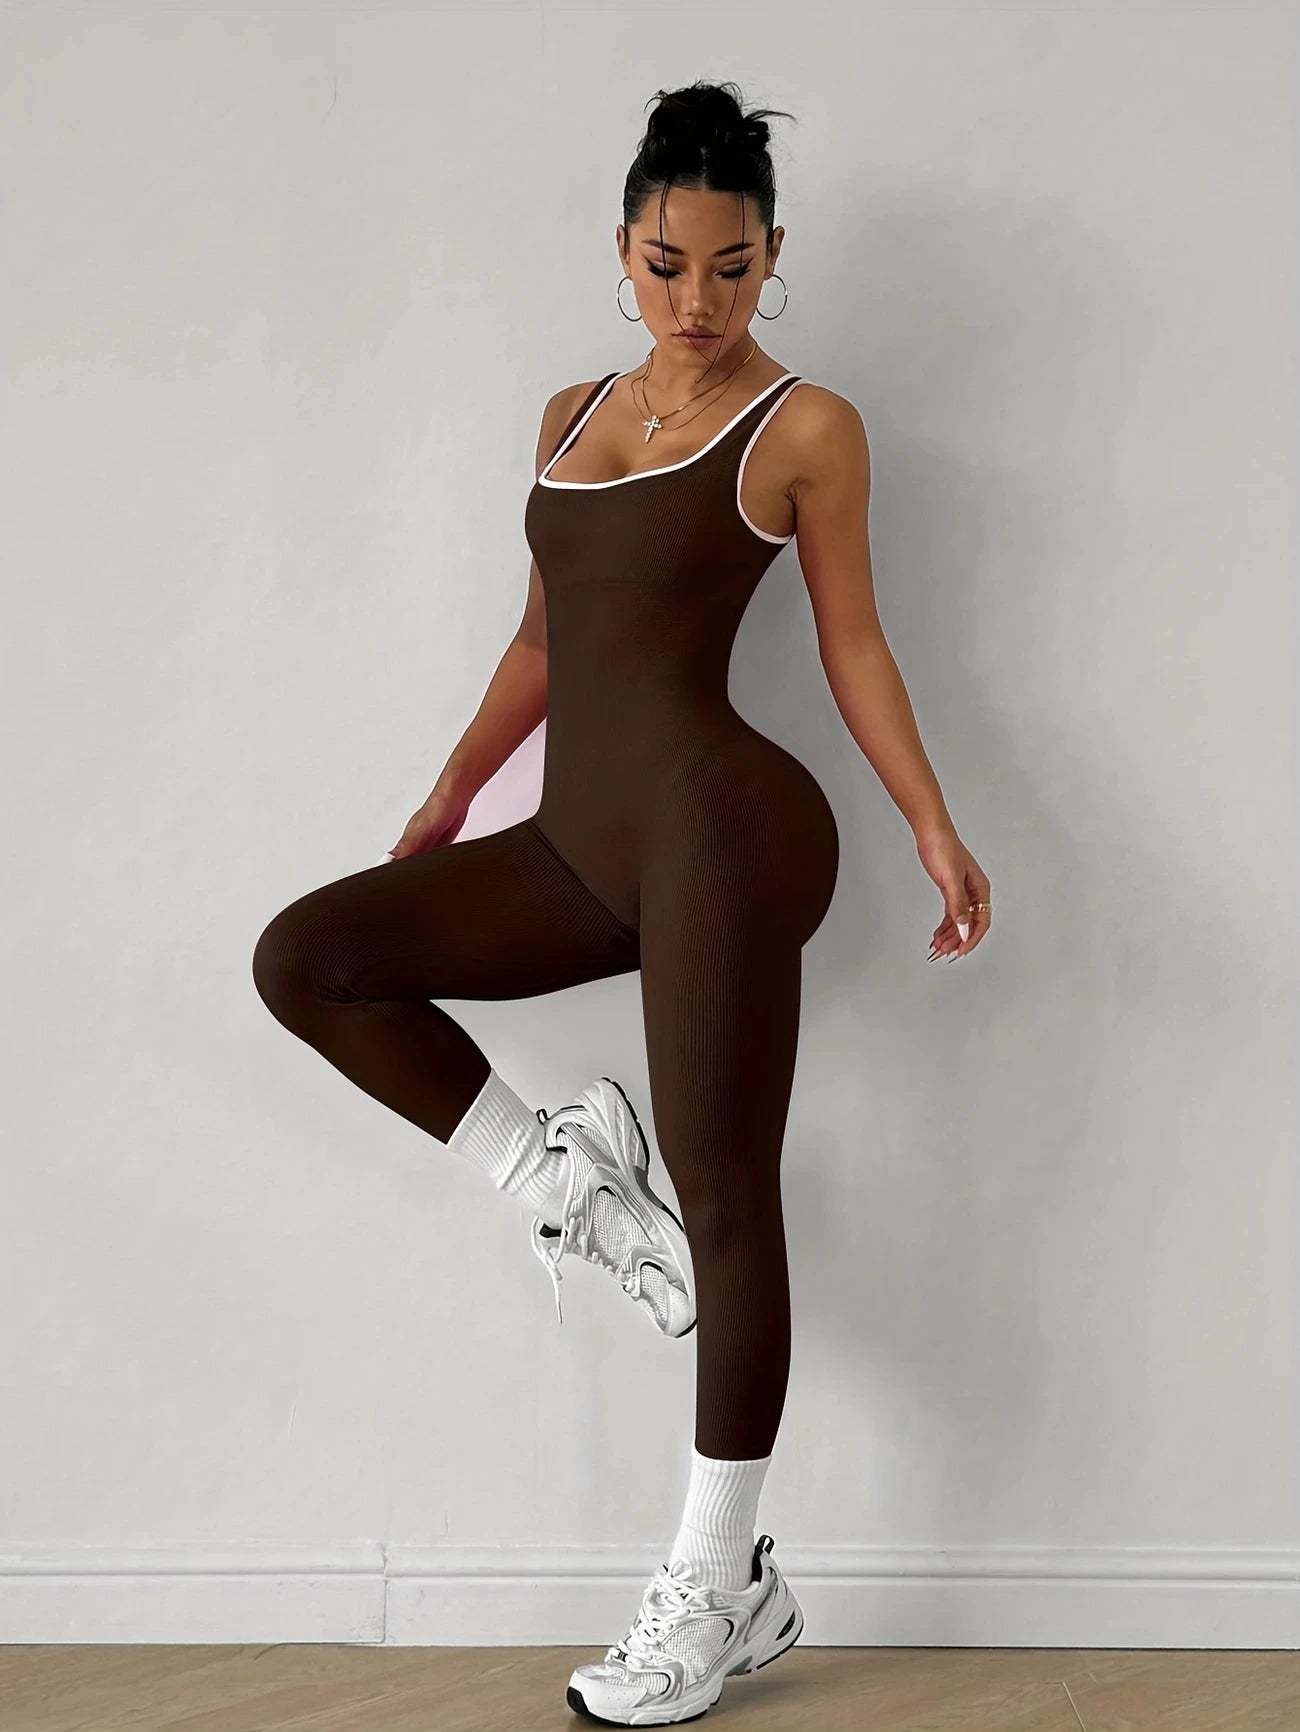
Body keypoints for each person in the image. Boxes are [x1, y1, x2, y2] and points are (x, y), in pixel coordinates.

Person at [252, 77, 991, 1728]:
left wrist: (932, 822)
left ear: (773, 255)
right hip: (580, 843)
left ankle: (718, 1588)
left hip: (728, 830)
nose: (697, 303)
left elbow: (856, 644)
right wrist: (452, 793)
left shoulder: (805, 429)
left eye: (733, 268)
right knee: (309, 959)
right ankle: (562, 1177)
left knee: (728, 1196)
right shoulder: (568, 415)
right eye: (667, 265)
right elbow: (542, 637)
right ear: (624, 248)